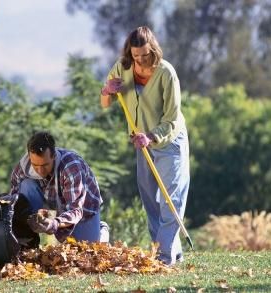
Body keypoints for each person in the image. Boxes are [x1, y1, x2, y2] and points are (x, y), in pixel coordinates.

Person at [100, 26, 190, 266]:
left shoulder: (166, 73)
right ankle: (172, 251)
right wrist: (107, 91)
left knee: (171, 198)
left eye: (144, 55)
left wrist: (151, 136)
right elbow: (105, 101)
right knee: (150, 199)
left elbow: (171, 118)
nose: (140, 59)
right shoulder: (123, 66)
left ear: (153, 49)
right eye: (136, 55)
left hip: (168, 140)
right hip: (142, 143)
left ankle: (162, 256)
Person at [10, 131, 109, 243]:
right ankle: (29, 241)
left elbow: (75, 210)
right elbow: (13, 202)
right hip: (52, 202)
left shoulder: (72, 167)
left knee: (86, 248)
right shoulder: (23, 167)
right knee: (26, 186)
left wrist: (54, 223)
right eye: (35, 165)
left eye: (45, 165)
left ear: (54, 156)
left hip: (82, 211)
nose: (40, 170)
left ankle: (101, 229)